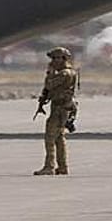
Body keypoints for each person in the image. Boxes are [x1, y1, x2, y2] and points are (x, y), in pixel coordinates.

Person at [34, 47, 79, 176]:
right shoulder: (67, 72)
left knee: (50, 137)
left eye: (56, 58)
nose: (53, 61)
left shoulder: (65, 73)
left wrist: (50, 73)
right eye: (52, 58)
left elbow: (50, 85)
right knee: (59, 138)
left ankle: (49, 166)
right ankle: (63, 166)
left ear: (63, 59)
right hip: (60, 107)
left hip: (60, 108)